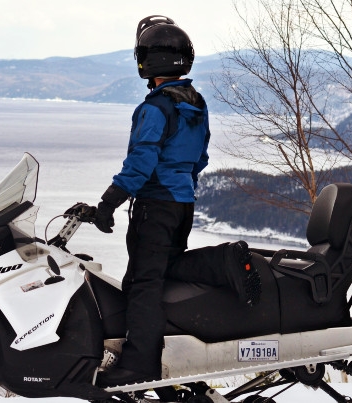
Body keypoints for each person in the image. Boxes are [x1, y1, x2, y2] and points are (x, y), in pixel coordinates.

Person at [93, 15, 260, 388]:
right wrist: (181, 189)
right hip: (182, 203)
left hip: (155, 205)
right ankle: (220, 263)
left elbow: (141, 161)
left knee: (143, 284)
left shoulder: (155, 108)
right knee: (166, 272)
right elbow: (199, 159)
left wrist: (108, 203)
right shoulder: (195, 103)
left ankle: (139, 364)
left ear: (147, 60)